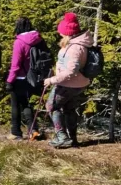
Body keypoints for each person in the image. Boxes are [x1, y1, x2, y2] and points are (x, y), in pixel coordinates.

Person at [44, 12, 93, 149]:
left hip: (67, 84)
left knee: (51, 106)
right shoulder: (79, 43)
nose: (59, 33)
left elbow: (71, 71)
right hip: (78, 84)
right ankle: (73, 139)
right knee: (69, 108)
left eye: (61, 31)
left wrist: (52, 80)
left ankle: (62, 137)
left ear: (67, 32)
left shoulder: (74, 48)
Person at [6, 18, 45, 141]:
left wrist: (9, 81)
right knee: (26, 103)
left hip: (20, 78)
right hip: (34, 77)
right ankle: (33, 130)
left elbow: (15, 65)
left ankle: (16, 132)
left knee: (16, 105)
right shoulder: (39, 39)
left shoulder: (19, 42)